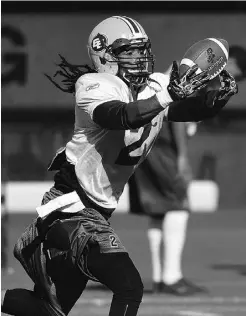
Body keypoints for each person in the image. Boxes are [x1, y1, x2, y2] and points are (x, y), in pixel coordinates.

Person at [1, 16, 238, 316]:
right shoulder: (93, 84)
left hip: (97, 213)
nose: (140, 58)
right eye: (129, 51)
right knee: (129, 286)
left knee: (47, 309)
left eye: (143, 50)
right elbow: (119, 115)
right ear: (104, 54)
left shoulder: (156, 85)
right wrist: (167, 96)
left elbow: (183, 109)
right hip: (70, 210)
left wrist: (215, 100)